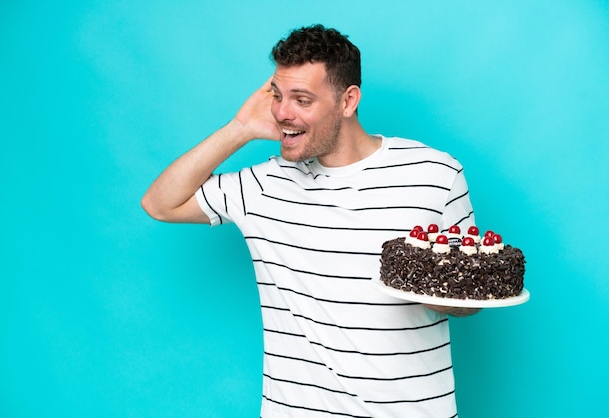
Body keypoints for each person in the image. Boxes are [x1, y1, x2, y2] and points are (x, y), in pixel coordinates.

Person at [142, 24, 479, 418]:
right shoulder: (264, 186)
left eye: (302, 100)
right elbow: (160, 204)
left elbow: (469, 296)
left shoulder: (435, 174)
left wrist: (447, 298)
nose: (283, 112)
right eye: (277, 96)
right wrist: (241, 129)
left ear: (348, 101)